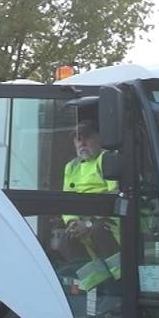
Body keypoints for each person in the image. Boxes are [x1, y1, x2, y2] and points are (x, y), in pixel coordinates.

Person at [61, 119, 121, 296]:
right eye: (78, 140)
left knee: (98, 232)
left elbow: (114, 194)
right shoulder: (71, 167)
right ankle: (98, 285)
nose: (82, 143)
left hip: (109, 219)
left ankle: (121, 282)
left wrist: (88, 222)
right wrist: (72, 222)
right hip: (83, 222)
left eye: (87, 138)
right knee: (66, 240)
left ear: (100, 140)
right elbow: (66, 200)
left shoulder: (106, 159)